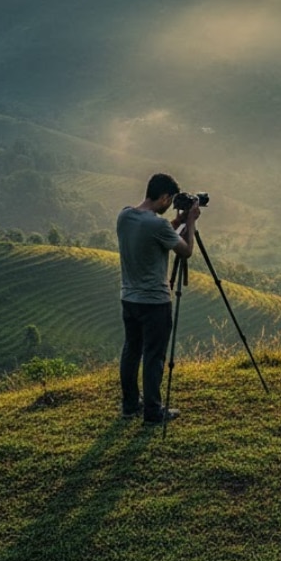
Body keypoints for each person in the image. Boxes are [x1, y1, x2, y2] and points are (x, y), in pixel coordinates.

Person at [117, 172, 200, 425]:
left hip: (129, 299)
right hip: (154, 302)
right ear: (164, 197)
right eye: (170, 199)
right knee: (154, 357)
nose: (170, 204)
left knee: (132, 351)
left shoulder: (125, 216)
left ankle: (130, 405)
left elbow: (155, 234)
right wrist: (191, 222)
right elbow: (185, 252)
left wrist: (177, 221)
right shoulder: (158, 225)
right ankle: (153, 412)